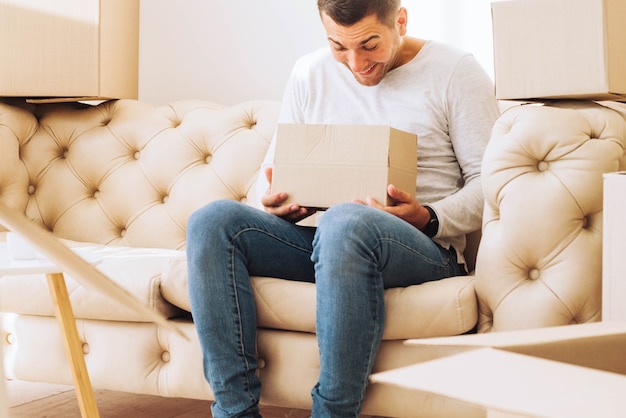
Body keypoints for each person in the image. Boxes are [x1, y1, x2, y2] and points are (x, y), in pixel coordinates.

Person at [186, 0, 500, 417]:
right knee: (212, 222)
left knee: (345, 222)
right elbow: (272, 173)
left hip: (425, 247)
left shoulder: (455, 71)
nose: (355, 63)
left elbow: (491, 185)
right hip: (323, 240)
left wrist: (428, 215)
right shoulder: (310, 72)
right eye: (339, 47)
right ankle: (234, 411)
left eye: (369, 44)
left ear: (400, 21)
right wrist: (278, 201)